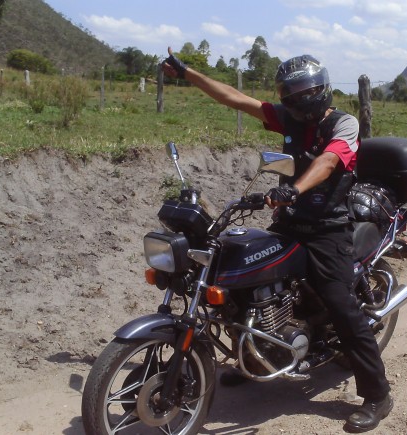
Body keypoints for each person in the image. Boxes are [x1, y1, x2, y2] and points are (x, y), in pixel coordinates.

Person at [162, 47, 393, 433]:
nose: (297, 99)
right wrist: (187, 73)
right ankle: (255, 356)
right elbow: (233, 97)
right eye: (290, 93)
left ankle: (378, 394)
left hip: (328, 229)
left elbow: (328, 161)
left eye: (304, 92)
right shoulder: (285, 117)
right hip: (290, 223)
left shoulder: (344, 123)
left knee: (342, 307)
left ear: (320, 90)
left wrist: (294, 189)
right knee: (242, 283)